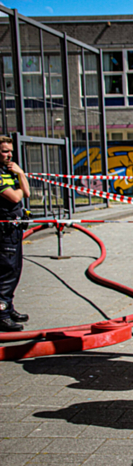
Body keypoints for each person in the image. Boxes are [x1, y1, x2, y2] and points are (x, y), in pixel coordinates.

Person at [0, 136, 30, 332]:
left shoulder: (9, 171)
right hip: (4, 231)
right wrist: (20, 182)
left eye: (10, 151)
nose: (9, 155)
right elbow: (14, 197)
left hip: (14, 229)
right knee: (6, 271)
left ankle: (7, 307)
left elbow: (26, 193)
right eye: (4, 151)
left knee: (15, 269)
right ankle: (1, 314)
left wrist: (20, 174)